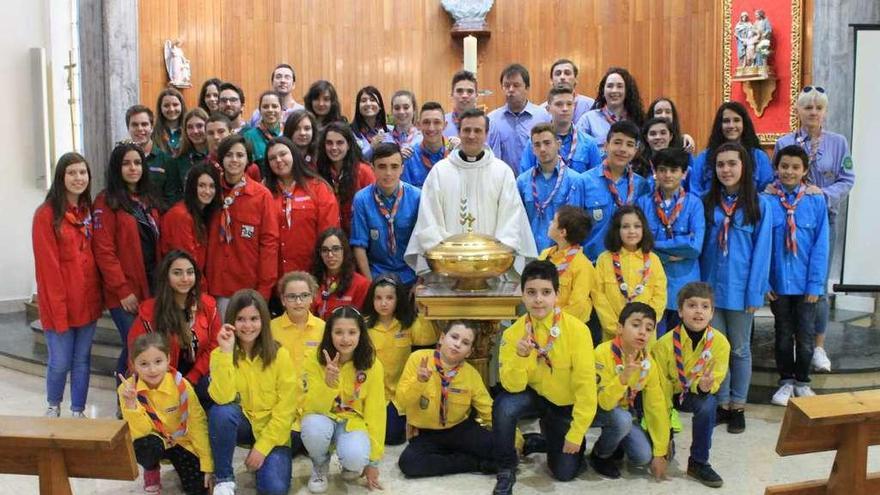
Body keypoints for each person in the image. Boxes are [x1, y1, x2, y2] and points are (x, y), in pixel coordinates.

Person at [493, 260, 596, 494]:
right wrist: (521, 356)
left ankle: (546, 439)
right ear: (522, 295)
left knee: (564, 473)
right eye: (531, 292)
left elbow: (586, 388)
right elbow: (512, 386)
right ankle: (506, 467)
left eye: (546, 292)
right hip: (533, 396)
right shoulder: (512, 333)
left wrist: (577, 433)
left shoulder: (578, 331)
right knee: (504, 406)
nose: (538, 299)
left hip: (563, 403)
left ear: (557, 295)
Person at [773, 86, 853, 372]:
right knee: (790, 280)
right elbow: (778, 177)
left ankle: (817, 346)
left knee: (816, 283)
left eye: (819, 108)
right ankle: (796, 340)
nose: (813, 112)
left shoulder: (838, 142)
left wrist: (823, 194)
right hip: (790, 220)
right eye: (808, 107)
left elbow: (847, 178)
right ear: (799, 111)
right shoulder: (785, 142)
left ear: (825, 112)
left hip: (822, 219)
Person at [405, 108, 538, 274]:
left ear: (486, 134)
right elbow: (429, 220)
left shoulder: (502, 172)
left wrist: (493, 257)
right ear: (459, 132)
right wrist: (451, 258)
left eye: (477, 131)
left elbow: (511, 222)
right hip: (449, 269)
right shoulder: (440, 172)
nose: (472, 136)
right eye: (466, 130)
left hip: (492, 270)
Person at [700, 142, 772, 434]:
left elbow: (762, 252)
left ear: (744, 167)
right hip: (711, 291)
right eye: (721, 165)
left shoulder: (758, 204)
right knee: (717, 348)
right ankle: (722, 402)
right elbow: (703, 249)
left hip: (742, 290)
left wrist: (755, 292)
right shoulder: (707, 202)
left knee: (740, 349)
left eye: (732, 163)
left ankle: (738, 406)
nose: (726, 170)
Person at [32, 152, 102, 418]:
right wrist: (59, 313)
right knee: (60, 362)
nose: (78, 178)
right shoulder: (46, 215)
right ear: (61, 177)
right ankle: (53, 406)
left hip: (88, 301)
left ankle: (78, 410)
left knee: (82, 361)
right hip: (59, 304)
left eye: (82, 172)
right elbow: (48, 270)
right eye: (72, 173)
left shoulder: (87, 212)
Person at [208, 289, 297, 495]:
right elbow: (223, 398)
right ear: (231, 321)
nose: (247, 326)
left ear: (263, 320)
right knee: (221, 412)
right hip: (243, 423)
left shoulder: (280, 355)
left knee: (274, 490)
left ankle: (266, 466)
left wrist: (262, 448)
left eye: (254, 319)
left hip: (274, 432)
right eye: (240, 319)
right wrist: (226, 353)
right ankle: (224, 479)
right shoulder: (220, 354)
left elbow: (286, 410)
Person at [94, 143, 161, 390]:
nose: (133, 168)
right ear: (116, 168)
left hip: (150, 284)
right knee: (135, 344)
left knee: (145, 345)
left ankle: (143, 401)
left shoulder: (147, 199)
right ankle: (124, 401)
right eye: (126, 163)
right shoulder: (106, 201)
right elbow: (104, 251)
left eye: (137, 163)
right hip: (123, 291)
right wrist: (122, 290)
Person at [766, 145, 829, 406]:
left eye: (795, 167)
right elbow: (762, 247)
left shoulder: (815, 201)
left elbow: (821, 246)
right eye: (784, 166)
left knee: (805, 336)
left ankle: (802, 381)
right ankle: (785, 381)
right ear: (776, 168)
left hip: (806, 285)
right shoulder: (766, 201)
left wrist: (816, 284)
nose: (789, 171)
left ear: (804, 171)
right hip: (778, 283)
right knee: (782, 334)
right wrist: (765, 281)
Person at [651, 282, 730, 488]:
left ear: (712, 313)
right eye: (692, 305)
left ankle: (698, 462)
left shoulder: (721, 344)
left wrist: (704, 387)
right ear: (679, 310)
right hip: (668, 396)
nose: (698, 311)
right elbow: (659, 389)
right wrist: (664, 433)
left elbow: (717, 378)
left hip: (696, 393)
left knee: (708, 405)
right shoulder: (664, 344)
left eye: (705, 306)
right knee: (646, 455)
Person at [301, 306, 386, 493]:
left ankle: (348, 462)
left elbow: (376, 412)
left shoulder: (372, 364)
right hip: (322, 417)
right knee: (313, 429)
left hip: (352, 421)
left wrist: (373, 461)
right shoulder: (314, 359)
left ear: (361, 334)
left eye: (352, 332)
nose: (345, 339)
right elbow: (311, 407)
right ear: (329, 333)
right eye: (338, 332)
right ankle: (320, 464)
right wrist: (328, 384)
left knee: (356, 457)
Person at [397, 320, 496, 477]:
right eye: (454, 337)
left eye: (465, 342)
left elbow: (488, 409)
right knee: (409, 463)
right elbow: (402, 402)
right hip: (426, 433)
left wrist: (513, 439)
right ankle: (472, 463)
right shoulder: (418, 359)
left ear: (469, 352)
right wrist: (419, 381)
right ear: (442, 338)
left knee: (505, 451)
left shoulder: (471, 374)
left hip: (459, 428)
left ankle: (454, 456)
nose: (457, 344)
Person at [120, 333, 213, 494]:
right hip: (154, 442)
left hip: (181, 442)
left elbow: (198, 424)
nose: (152, 369)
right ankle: (151, 468)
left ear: (168, 359)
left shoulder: (181, 386)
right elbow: (140, 434)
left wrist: (207, 464)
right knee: (145, 446)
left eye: (158, 361)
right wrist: (131, 405)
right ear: (133, 365)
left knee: (199, 488)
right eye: (144, 364)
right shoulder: (127, 390)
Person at [126, 250, 221, 406]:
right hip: (160, 381)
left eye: (190, 273)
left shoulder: (208, 306)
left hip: (198, 378)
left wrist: (192, 378)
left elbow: (214, 347)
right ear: (167, 277)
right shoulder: (149, 313)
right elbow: (135, 353)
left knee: (218, 394)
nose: (185, 278)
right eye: (177, 273)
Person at [590, 303, 669, 480]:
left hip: (624, 411)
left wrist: (660, 452)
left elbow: (656, 407)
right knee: (622, 419)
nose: (642, 332)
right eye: (636, 325)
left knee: (643, 456)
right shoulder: (602, 353)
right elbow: (604, 402)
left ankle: (616, 442)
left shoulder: (648, 363)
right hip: (594, 410)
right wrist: (623, 379)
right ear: (619, 328)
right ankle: (600, 455)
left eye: (649, 329)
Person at [205, 135, 279, 314]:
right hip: (214, 286)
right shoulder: (209, 191)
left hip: (249, 287)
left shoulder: (261, 196)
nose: (234, 160)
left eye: (240, 155)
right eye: (229, 155)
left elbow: (269, 244)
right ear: (221, 158)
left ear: (248, 160)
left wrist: (264, 289)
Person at [362, 274, 438, 445]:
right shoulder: (364, 326)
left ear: (398, 299)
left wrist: (420, 306)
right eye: (378, 298)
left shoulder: (407, 323)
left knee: (393, 437)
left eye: (389, 298)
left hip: (399, 393)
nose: (383, 303)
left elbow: (428, 338)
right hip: (373, 392)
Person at [636, 147, 705, 335]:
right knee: (653, 341)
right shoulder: (643, 203)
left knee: (681, 342)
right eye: (662, 170)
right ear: (655, 172)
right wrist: (673, 252)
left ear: (684, 174)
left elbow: (694, 247)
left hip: (685, 283)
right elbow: (640, 245)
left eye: (674, 170)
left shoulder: (694, 204)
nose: (667, 175)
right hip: (650, 283)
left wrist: (657, 248)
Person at [263, 137, 339, 281]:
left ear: (294, 154)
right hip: (275, 277)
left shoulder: (318, 188)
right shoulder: (265, 192)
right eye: (272, 158)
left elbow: (328, 234)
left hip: (311, 274)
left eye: (283, 154)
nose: (278, 160)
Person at [270, 271, 326, 456]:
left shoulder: (324, 328)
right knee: (288, 447)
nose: (298, 302)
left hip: (314, 408)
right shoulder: (271, 329)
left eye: (304, 296)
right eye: (292, 297)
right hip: (283, 410)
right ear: (283, 300)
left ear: (313, 298)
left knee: (317, 444)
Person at [593, 206, 667, 342]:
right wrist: (616, 328)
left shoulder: (653, 260)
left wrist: (644, 327)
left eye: (637, 226)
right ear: (617, 230)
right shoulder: (604, 259)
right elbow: (598, 296)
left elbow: (659, 297)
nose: (632, 231)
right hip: (613, 335)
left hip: (644, 337)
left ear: (643, 229)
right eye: (625, 226)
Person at [579, 120, 649, 261]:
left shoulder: (641, 185)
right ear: (606, 146)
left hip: (630, 266)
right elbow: (574, 227)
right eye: (617, 142)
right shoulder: (584, 182)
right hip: (592, 265)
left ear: (635, 151)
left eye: (629, 145)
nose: (623, 149)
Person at [352, 143, 420, 286]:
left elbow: (424, 243)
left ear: (402, 168)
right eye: (382, 167)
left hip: (410, 276)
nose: (388, 173)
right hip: (377, 275)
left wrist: (419, 283)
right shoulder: (361, 199)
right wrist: (370, 285)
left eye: (394, 167)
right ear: (372, 169)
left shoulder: (417, 197)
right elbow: (359, 245)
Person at [516, 123, 582, 252]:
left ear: (558, 144)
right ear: (532, 149)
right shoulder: (522, 181)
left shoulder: (575, 181)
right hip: (530, 254)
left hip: (562, 255)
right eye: (537, 145)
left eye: (547, 143)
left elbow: (577, 225)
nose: (542, 149)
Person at [689, 101, 774, 197]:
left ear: (744, 124)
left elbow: (767, 192)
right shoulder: (704, 158)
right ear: (719, 125)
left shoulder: (759, 157)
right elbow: (694, 194)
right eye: (726, 121)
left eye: (736, 120)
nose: (731, 125)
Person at [159, 163, 221, 283]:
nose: (207, 191)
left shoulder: (201, 213)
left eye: (212, 186)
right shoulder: (181, 216)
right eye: (201, 185)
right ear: (192, 187)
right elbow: (186, 263)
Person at [521, 84, 602, 174]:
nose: (565, 108)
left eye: (569, 104)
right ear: (548, 109)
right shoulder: (535, 143)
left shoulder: (589, 143)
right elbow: (525, 179)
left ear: (574, 107)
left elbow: (596, 181)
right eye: (559, 104)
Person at [487, 63, 552, 173]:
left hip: (535, 183)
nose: (511, 90)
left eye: (516, 85)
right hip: (504, 183)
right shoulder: (492, 120)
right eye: (506, 86)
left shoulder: (542, 116)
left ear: (527, 88)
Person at [538, 206, 597, 322]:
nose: (550, 222)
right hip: (539, 319)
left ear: (562, 232)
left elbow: (577, 305)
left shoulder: (583, 266)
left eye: (554, 221)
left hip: (566, 326)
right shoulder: (545, 255)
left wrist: (553, 321)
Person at [316, 122, 376, 235]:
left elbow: (373, 209)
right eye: (329, 143)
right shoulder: (318, 172)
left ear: (348, 145)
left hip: (359, 237)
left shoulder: (364, 172)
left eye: (340, 143)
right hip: (329, 240)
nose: (334, 148)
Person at [576, 67, 645, 149]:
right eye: (610, 86)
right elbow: (578, 150)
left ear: (627, 91)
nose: (614, 90)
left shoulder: (637, 119)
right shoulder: (588, 119)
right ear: (603, 91)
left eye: (619, 86)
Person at [311, 228, 371, 319]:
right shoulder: (312, 282)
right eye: (325, 250)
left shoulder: (361, 284)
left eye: (336, 249)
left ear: (345, 250)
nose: (330, 255)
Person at [163, 108, 210, 204]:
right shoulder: (178, 159)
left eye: (200, 126)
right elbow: (173, 193)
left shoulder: (217, 155)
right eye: (190, 127)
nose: (195, 131)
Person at [402, 101, 452, 188]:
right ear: (418, 125)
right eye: (426, 122)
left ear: (445, 125)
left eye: (437, 122)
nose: (431, 128)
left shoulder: (454, 154)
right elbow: (407, 197)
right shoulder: (409, 157)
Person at [203, 113, 262, 182]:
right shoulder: (202, 168)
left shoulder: (251, 168)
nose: (216, 137)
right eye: (210, 133)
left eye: (221, 131)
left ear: (231, 133)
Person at [125, 104, 169, 197]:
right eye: (134, 125)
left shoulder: (167, 160)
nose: (140, 129)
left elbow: (172, 197)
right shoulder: (120, 160)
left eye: (144, 124)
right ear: (128, 128)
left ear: (152, 128)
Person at [540, 58, 596, 123]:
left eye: (567, 73)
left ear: (576, 79)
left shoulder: (591, 105)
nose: (562, 77)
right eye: (558, 74)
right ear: (551, 81)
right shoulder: (541, 110)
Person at [242, 90, 284, 172]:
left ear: (281, 109)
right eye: (265, 106)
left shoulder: (288, 133)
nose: (270, 110)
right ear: (259, 110)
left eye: (275, 106)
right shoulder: (249, 137)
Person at [352, 85, 394, 162]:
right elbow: (351, 162)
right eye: (363, 100)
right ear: (358, 107)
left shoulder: (391, 131)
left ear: (380, 106)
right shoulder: (350, 133)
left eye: (372, 100)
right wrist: (371, 148)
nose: (368, 104)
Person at [152, 87, 187, 156]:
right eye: (166, 105)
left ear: (182, 106)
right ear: (160, 108)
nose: (171, 109)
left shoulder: (190, 130)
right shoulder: (153, 133)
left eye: (175, 105)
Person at [389, 90, 423, 157]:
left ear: (414, 110)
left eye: (406, 107)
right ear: (392, 111)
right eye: (397, 108)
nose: (401, 112)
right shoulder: (385, 137)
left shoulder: (422, 138)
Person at [445, 70, 478, 138]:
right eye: (459, 91)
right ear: (451, 94)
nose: (464, 95)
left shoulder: (489, 126)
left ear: (476, 95)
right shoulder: (441, 124)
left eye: (470, 91)